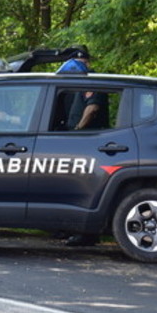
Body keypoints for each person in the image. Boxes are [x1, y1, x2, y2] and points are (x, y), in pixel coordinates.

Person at [58, 45, 107, 246]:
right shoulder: (73, 80)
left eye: (81, 62)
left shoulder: (91, 80)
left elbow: (92, 108)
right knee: (69, 185)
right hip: (74, 138)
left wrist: (78, 130)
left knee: (82, 186)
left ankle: (85, 233)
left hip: (86, 140)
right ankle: (65, 227)